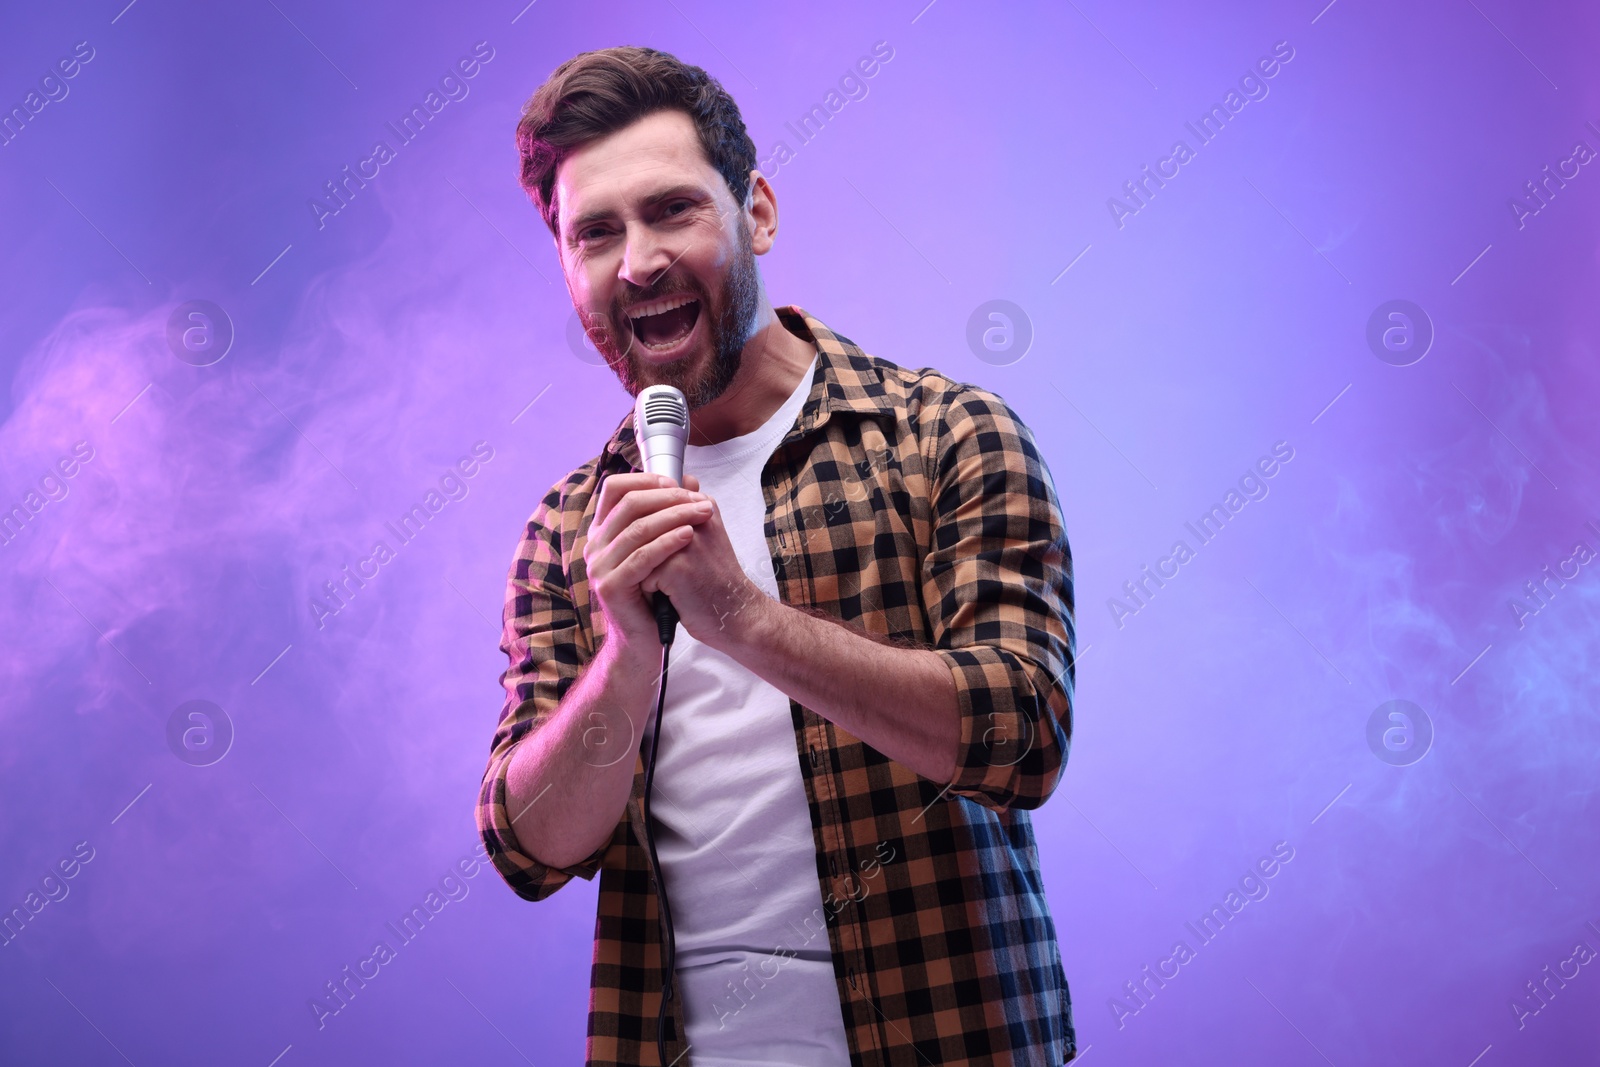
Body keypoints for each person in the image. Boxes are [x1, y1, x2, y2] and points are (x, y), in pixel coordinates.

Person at [475, 44, 1078, 1067]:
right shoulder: (567, 528)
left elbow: (1021, 735)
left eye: (673, 209)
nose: (637, 261)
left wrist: (741, 619)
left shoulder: (944, 437)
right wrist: (627, 656)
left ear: (754, 211)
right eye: (594, 234)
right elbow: (528, 845)